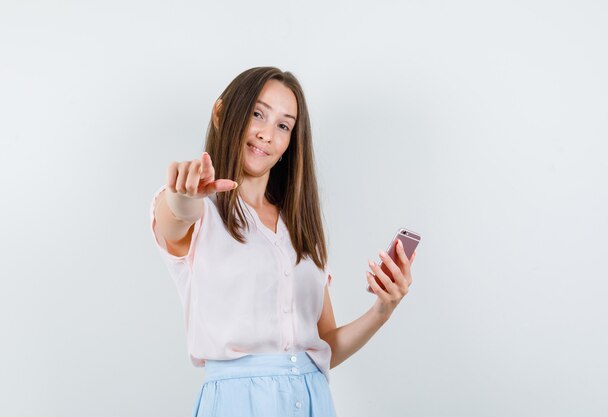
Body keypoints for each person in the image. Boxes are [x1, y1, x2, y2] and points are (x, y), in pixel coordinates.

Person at [149, 66, 417, 416]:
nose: (267, 134)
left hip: (313, 401)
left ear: (291, 141)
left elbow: (324, 346)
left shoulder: (301, 230)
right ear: (221, 113)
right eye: (257, 114)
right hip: (237, 405)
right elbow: (175, 219)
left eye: (283, 125)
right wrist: (182, 194)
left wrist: (383, 310)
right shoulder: (201, 211)